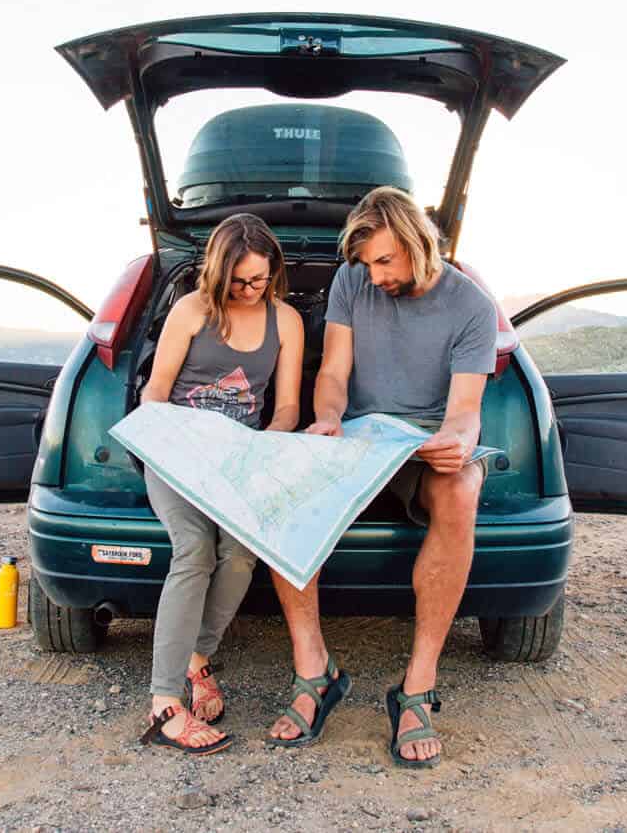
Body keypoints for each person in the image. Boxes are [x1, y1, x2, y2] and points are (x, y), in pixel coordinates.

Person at [264, 186, 497, 768]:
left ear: (419, 243)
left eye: (385, 261)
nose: (374, 276)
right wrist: (326, 421)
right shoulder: (351, 281)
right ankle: (315, 673)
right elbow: (335, 370)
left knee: (462, 487)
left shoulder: (470, 305)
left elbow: (466, 409)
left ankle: (416, 687)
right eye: (367, 263)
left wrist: (457, 443)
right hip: (359, 437)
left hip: (423, 442)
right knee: (287, 482)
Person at [137, 213, 305, 755]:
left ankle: (197, 658)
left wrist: (258, 449)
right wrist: (180, 448)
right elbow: (155, 395)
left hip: (240, 459)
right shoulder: (191, 311)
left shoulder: (287, 321)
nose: (251, 290)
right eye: (239, 281)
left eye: (260, 279)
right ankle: (165, 702)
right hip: (176, 451)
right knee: (194, 551)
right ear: (217, 272)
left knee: (240, 553)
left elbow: (285, 409)